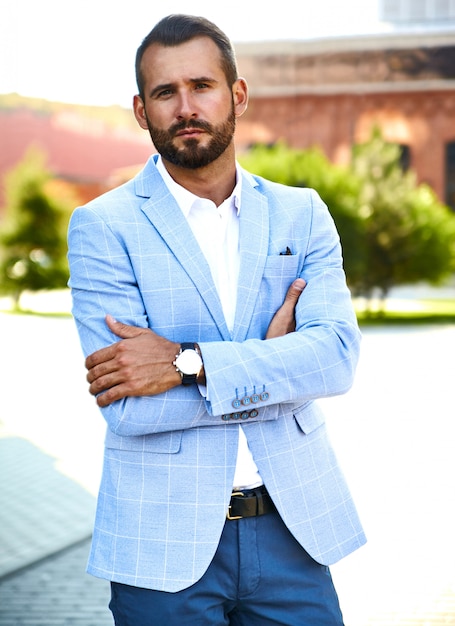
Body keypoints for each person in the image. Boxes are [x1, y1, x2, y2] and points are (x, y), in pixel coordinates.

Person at [67, 13, 366, 626]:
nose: (185, 107)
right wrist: (276, 369)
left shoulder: (300, 215)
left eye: (201, 86)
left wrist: (185, 363)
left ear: (238, 94)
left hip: (293, 533)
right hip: (160, 545)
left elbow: (335, 359)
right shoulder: (103, 227)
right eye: (164, 92)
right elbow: (129, 405)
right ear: (140, 110)